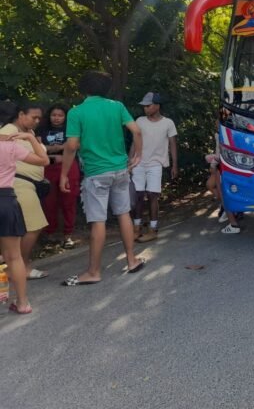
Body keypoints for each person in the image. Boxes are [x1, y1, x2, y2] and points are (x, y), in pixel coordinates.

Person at [60, 71, 146, 286]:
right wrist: (137, 155)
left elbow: (71, 146)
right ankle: (132, 259)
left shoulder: (76, 112)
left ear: (84, 88)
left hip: (96, 172)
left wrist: (63, 174)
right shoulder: (116, 106)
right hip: (120, 170)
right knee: (124, 214)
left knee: (98, 221)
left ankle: (94, 271)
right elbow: (136, 131)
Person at [0, 123, 49, 314]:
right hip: (6, 200)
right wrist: (30, 138)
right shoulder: (10, 146)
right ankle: (22, 303)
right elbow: (43, 160)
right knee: (14, 256)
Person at [130, 92, 178, 243]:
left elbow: (173, 144)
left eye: (148, 105)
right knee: (137, 195)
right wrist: (130, 161)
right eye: (144, 106)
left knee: (152, 195)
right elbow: (134, 141)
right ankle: (136, 228)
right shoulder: (140, 120)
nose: (145, 108)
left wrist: (174, 165)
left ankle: (153, 229)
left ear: (157, 106)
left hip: (156, 164)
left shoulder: (168, 123)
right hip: (139, 162)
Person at [40, 104, 80, 249]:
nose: (56, 118)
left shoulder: (71, 128)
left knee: (68, 201)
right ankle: (49, 234)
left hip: (69, 167)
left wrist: (50, 149)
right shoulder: (41, 129)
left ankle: (68, 235)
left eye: (60, 115)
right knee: (49, 202)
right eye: (54, 115)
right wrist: (61, 148)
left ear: (65, 116)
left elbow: (76, 145)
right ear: (49, 116)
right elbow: (38, 147)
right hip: (48, 168)